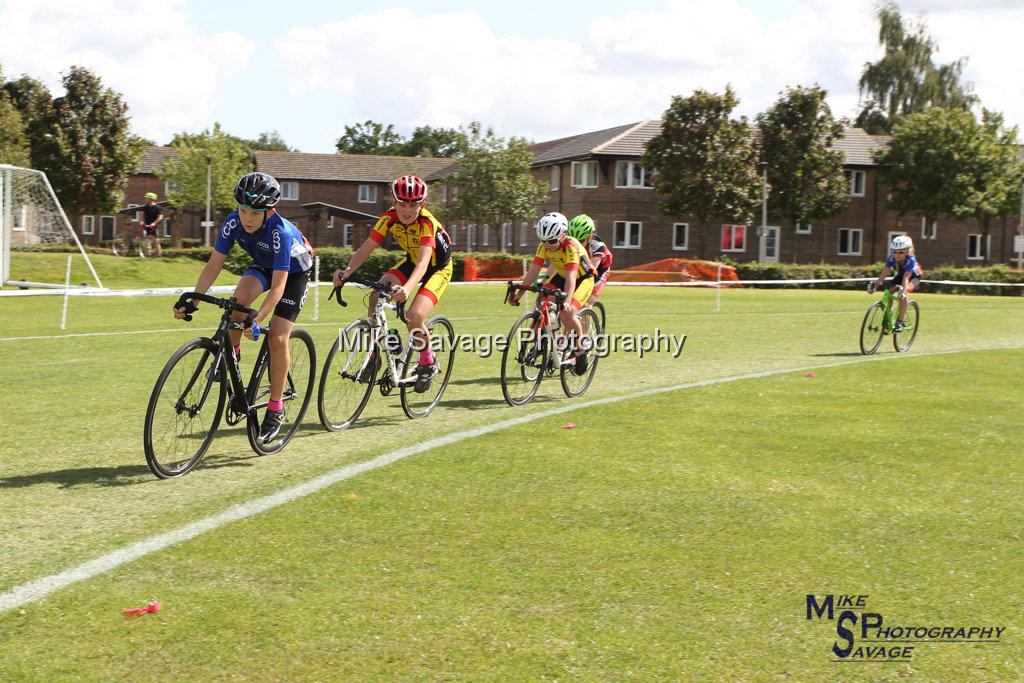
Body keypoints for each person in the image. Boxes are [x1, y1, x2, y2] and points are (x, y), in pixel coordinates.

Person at [174, 172, 314, 444]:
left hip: (294, 273)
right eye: (243, 210)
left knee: (277, 337)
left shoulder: (280, 232)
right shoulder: (232, 222)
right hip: (263, 264)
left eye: (254, 212)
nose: (247, 217)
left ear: (268, 211)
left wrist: (257, 319)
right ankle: (232, 356)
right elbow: (214, 265)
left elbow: (277, 289)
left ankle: (276, 409)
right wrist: (193, 299)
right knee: (237, 302)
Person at [332, 175, 452, 393]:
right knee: (376, 295)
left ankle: (428, 361)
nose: (407, 210)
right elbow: (367, 247)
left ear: (422, 205)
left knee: (414, 316)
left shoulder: (427, 223)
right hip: (411, 262)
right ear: (394, 202)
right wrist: (347, 272)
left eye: (414, 205)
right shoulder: (388, 218)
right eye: (402, 204)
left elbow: (425, 263)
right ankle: (375, 354)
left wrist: (407, 289)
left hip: (438, 268)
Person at [509, 212, 595, 375]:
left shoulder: (571, 246)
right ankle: (543, 340)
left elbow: (571, 278)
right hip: (561, 276)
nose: (547, 245)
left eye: (552, 241)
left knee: (566, 314)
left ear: (563, 235)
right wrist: (519, 295)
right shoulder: (544, 246)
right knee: (541, 300)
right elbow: (532, 272)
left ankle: (581, 350)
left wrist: (568, 302)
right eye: (543, 240)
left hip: (582, 279)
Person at [868, 235, 923, 332]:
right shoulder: (891, 258)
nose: (897, 254)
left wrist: (903, 291)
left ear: (906, 252)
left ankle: (900, 321)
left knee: (903, 295)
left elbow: (906, 278)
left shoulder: (911, 260)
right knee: (889, 293)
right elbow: (884, 273)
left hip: (913, 278)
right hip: (901, 275)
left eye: (901, 252)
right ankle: (888, 316)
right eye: (895, 252)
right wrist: (875, 285)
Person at [566, 213, 613, 305]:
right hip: (583, 264)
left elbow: (591, 272)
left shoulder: (598, 246)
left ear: (589, 237)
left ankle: (587, 312)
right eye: (573, 239)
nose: (576, 244)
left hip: (599, 269)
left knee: (586, 301)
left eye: (580, 241)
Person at [140, 192, 164, 257]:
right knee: (148, 240)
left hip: (155, 226)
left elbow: (160, 217)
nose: (145, 199)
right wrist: (141, 221)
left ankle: (158, 255)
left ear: (151, 199)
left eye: (147, 198)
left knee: (156, 241)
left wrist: (154, 223)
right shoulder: (145, 208)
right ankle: (149, 254)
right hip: (147, 226)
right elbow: (142, 215)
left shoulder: (158, 208)